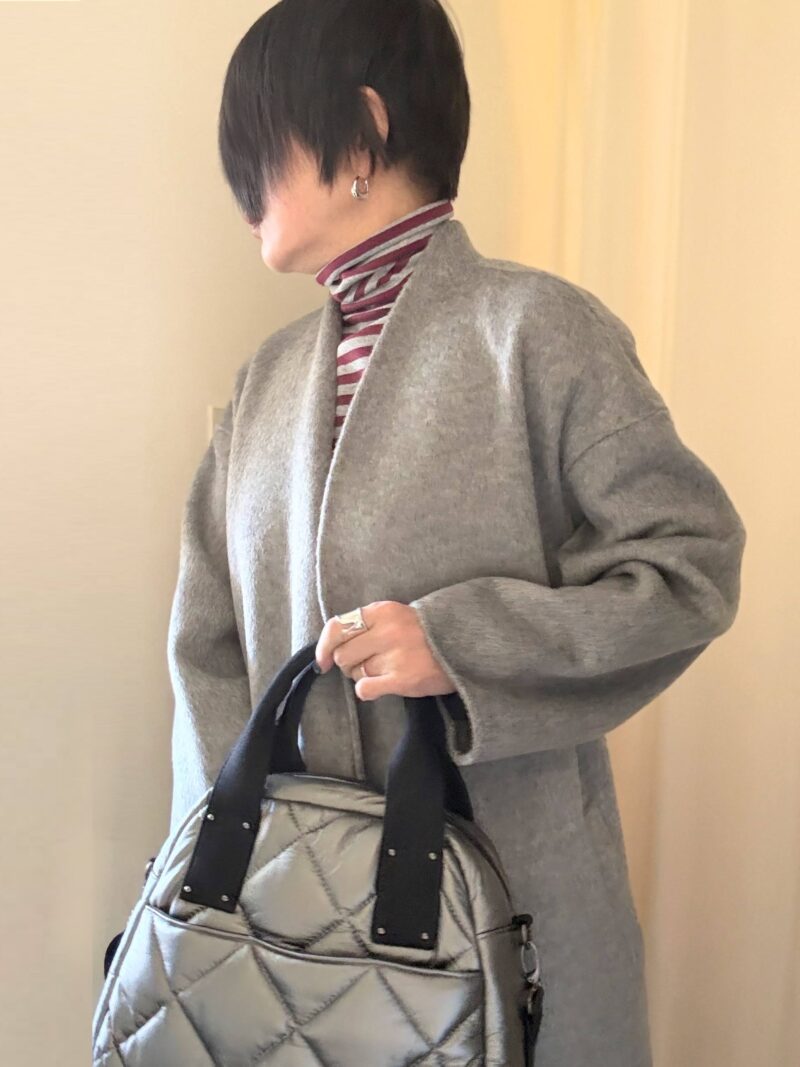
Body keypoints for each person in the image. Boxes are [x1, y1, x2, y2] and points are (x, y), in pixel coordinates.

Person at [166, 2, 747, 1064]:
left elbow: (686, 563)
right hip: (283, 937)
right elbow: (203, 642)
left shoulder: (537, 332)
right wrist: (225, 862)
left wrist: (461, 641)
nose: (239, 185)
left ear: (362, 131)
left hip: (512, 915)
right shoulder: (264, 384)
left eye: (256, 145)